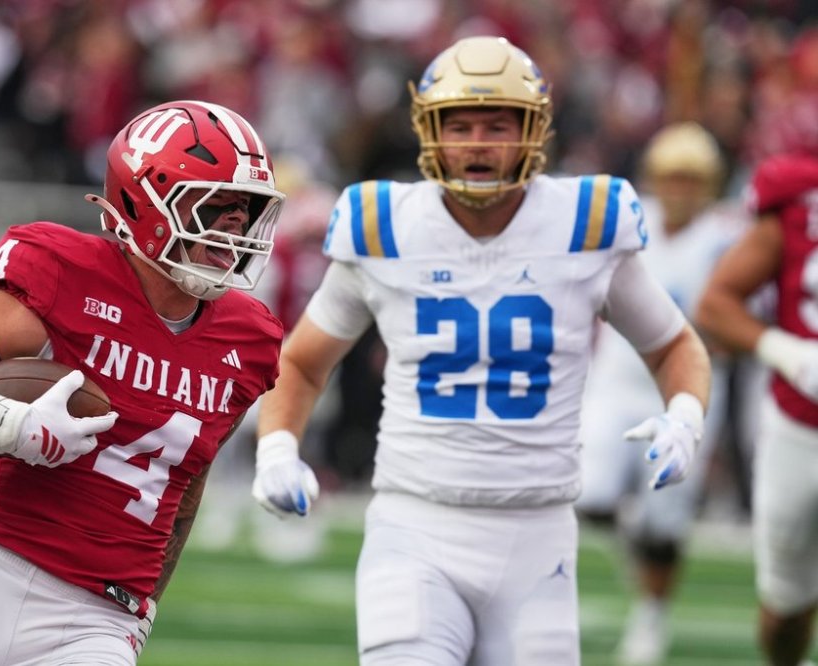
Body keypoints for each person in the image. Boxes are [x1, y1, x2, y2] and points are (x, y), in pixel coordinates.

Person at [251, 35, 712, 666]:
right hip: (415, 525)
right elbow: (303, 361)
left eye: (499, 124)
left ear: (534, 131)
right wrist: (277, 448)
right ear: (428, 133)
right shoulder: (384, 223)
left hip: (538, 532)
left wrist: (685, 416)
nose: (477, 143)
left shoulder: (587, 223)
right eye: (459, 125)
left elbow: (673, 346)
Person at [0, 99, 285, 665]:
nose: (236, 226)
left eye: (246, 209)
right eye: (217, 204)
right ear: (145, 200)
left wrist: (143, 603)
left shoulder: (249, 339)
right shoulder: (63, 273)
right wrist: (8, 424)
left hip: (97, 619)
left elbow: (184, 488)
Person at [574, 121, 745, 665]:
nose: (680, 189)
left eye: (691, 179)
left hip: (681, 389)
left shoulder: (724, 238)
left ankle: (651, 614)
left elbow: (736, 311)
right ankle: (636, 554)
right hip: (614, 381)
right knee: (587, 496)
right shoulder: (627, 219)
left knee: (665, 524)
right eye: (672, 177)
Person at [695, 98, 818, 666]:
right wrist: (787, 351)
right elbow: (716, 303)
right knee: (787, 605)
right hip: (802, 425)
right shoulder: (798, 199)